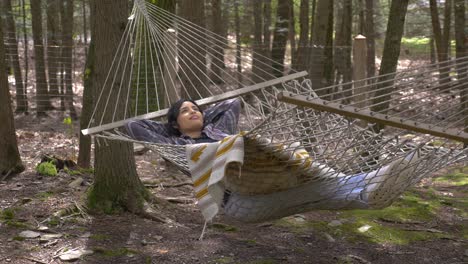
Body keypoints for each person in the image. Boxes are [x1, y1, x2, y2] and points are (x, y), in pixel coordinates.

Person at [125, 98, 241, 145]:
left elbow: (233, 103)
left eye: (195, 109)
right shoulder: (176, 145)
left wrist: (202, 116)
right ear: (175, 124)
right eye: (185, 111)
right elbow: (133, 125)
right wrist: (170, 127)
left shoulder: (219, 130)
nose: (192, 112)